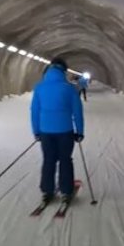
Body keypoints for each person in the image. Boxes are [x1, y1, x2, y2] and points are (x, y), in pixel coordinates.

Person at [31, 57, 84, 204]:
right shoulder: (69, 88)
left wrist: (36, 131)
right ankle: (66, 191)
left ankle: (47, 190)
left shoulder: (39, 88)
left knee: (49, 160)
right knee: (65, 160)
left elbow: (34, 111)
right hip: (65, 131)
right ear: (64, 71)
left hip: (46, 132)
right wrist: (79, 131)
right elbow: (77, 112)